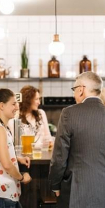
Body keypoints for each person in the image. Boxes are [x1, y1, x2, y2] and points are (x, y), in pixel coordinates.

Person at [49, 71, 105, 208]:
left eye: (74, 89)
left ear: (81, 90)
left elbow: (60, 155)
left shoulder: (69, 113)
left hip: (76, 189)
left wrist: (55, 185)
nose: (74, 94)